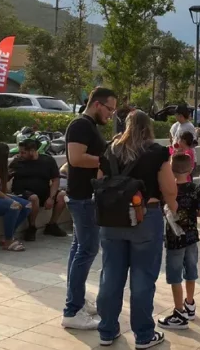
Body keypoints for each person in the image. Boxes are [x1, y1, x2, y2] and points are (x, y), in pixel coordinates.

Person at [96, 110, 178, 348]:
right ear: (149, 127)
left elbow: (100, 180)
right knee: (142, 278)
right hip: (145, 217)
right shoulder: (156, 152)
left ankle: (107, 330)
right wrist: (174, 211)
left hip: (111, 219)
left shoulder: (110, 149)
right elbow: (169, 189)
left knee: (110, 275)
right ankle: (143, 335)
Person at [62, 87, 117, 330]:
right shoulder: (81, 125)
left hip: (86, 196)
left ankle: (76, 301)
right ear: (97, 104)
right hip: (82, 197)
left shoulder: (89, 127)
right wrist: (107, 160)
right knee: (87, 250)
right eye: (110, 109)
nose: (111, 114)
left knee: (79, 249)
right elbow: (75, 158)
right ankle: (72, 310)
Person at [158, 154, 200, 330]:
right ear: (190, 169)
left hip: (174, 239)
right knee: (191, 270)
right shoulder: (195, 189)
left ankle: (179, 311)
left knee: (175, 275)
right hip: (192, 237)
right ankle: (190, 304)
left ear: (170, 169)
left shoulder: (167, 190)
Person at [9, 138, 68, 240]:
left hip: (43, 190)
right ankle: (32, 227)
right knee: (34, 198)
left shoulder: (47, 160)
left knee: (62, 196)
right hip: (23, 192)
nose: (20, 154)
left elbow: (55, 180)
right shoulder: (18, 162)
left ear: (32, 151)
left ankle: (52, 225)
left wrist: (51, 197)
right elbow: (6, 177)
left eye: (23, 152)